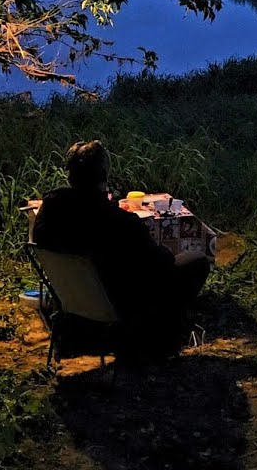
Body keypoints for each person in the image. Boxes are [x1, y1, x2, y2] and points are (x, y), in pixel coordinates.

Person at [32, 140, 212, 360]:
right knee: (196, 261)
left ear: (70, 176)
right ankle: (158, 337)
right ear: (104, 176)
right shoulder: (119, 222)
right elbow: (161, 262)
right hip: (121, 300)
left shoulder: (50, 210)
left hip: (73, 300)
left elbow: (45, 238)